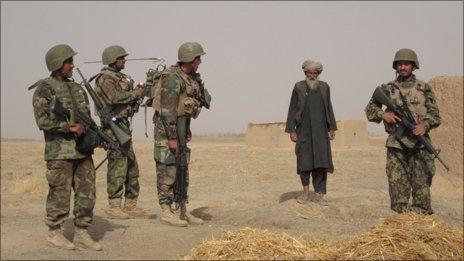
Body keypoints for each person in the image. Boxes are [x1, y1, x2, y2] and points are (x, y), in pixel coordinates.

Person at [31, 44, 102, 251]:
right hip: (59, 152)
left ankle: (82, 233)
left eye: (71, 61)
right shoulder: (44, 89)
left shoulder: (78, 89)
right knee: (59, 193)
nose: (72, 65)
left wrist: (97, 137)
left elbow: (87, 120)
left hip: (82, 151)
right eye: (68, 61)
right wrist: (67, 127)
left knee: (87, 192)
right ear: (57, 64)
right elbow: (42, 121)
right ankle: (54, 232)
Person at [365, 48, 441, 214]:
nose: (403, 67)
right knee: (397, 187)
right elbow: (369, 109)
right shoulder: (388, 88)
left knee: (421, 188)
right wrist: (383, 114)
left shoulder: (424, 88)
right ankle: (402, 221)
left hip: (419, 146)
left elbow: (435, 114)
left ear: (413, 66)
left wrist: (425, 125)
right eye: (399, 64)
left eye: (406, 64)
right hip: (396, 145)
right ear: (395, 67)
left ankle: (420, 221)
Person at [152, 42, 211, 226]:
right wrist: (171, 137)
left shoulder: (190, 78)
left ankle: (183, 210)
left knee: (182, 171)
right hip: (167, 132)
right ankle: (167, 211)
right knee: (167, 170)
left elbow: (184, 108)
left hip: (180, 130)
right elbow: (168, 110)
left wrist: (186, 130)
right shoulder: (172, 78)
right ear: (189, 59)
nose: (200, 61)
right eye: (198, 58)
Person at [93, 45, 149, 219]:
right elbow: (115, 98)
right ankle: (114, 206)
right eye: (121, 58)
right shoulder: (105, 79)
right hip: (112, 129)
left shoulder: (120, 77)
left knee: (131, 166)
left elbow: (127, 100)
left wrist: (138, 95)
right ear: (112, 60)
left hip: (123, 126)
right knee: (117, 166)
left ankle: (130, 205)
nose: (124, 60)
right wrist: (136, 93)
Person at [285, 60, 337, 206]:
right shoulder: (299, 87)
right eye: (310, 73)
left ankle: (320, 194)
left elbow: (329, 108)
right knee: (304, 162)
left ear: (318, 74)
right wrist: (291, 130)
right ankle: (306, 192)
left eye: (315, 73)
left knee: (321, 163)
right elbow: (292, 109)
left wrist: (331, 127)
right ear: (305, 73)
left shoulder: (324, 87)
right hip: (304, 131)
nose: (312, 75)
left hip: (321, 132)